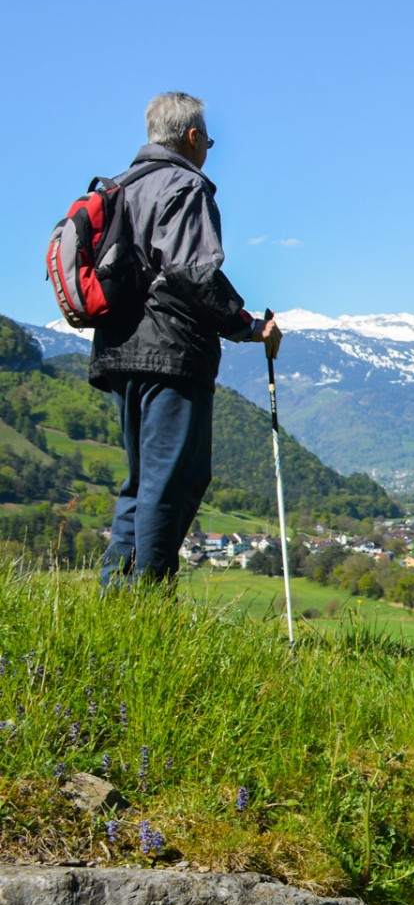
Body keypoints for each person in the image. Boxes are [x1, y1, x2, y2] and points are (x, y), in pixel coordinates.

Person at [91, 92, 281, 589]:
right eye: (209, 140)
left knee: (141, 481)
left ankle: (118, 594)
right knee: (174, 481)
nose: (209, 149)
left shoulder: (121, 186)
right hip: (170, 353)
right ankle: (148, 598)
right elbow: (193, 273)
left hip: (119, 351)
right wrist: (248, 324)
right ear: (193, 137)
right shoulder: (184, 185)